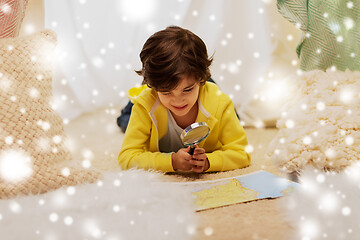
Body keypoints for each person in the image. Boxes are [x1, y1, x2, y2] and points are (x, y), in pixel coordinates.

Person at [118, 26, 251, 173]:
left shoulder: (220, 102)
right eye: (167, 92)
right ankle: (128, 108)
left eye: (187, 90)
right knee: (126, 119)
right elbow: (126, 158)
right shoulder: (145, 104)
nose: (178, 101)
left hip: (206, 91)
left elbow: (242, 153)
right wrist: (171, 161)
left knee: (232, 114)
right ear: (155, 88)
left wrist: (209, 161)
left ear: (201, 80)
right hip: (149, 99)